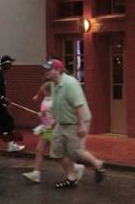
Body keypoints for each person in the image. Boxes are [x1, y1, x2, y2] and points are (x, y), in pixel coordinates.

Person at [42, 58, 105, 188]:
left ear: (58, 70)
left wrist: (81, 125)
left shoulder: (70, 84)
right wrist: (51, 118)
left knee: (75, 152)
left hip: (76, 121)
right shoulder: (53, 84)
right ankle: (71, 178)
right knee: (56, 151)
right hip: (62, 122)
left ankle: (98, 164)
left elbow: (79, 105)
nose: (46, 72)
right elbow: (57, 104)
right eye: (46, 69)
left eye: (49, 69)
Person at [22, 82, 85, 183]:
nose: (41, 90)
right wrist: (43, 115)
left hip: (50, 129)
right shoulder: (48, 99)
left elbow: (55, 117)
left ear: (47, 91)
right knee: (40, 150)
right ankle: (36, 173)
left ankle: (75, 167)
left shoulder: (52, 102)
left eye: (43, 90)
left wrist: (43, 117)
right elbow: (47, 114)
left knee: (55, 152)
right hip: (47, 128)